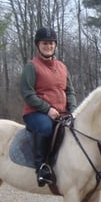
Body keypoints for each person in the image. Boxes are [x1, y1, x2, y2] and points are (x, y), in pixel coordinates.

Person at [20, 27, 77, 187]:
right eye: (45, 43)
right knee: (46, 127)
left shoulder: (62, 67)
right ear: (38, 45)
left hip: (62, 112)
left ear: (55, 45)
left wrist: (73, 109)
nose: (48, 46)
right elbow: (27, 93)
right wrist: (47, 109)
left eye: (51, 43)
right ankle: (42, 168)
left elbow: (70, 91)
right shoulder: (31, 67)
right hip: (36, 112)